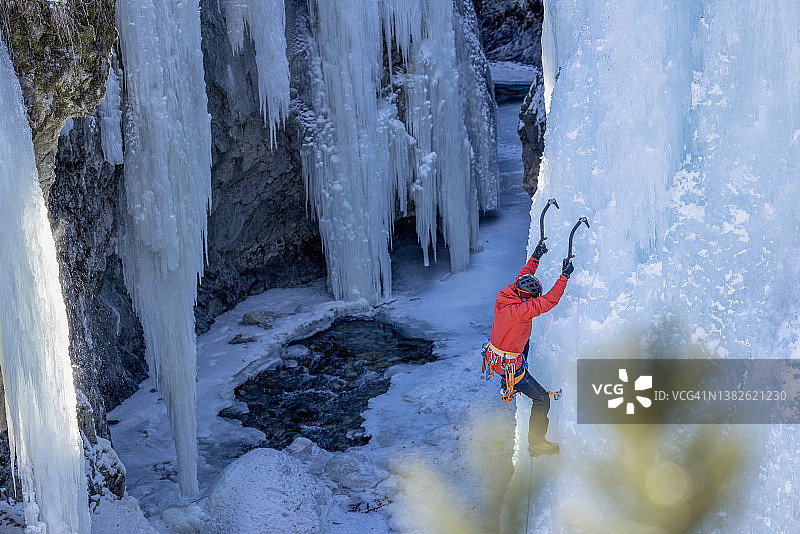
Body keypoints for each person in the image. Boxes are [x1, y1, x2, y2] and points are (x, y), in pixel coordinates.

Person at [483, 241, 573, 456]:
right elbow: (550, 301)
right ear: (526, 297)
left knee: (525, 342)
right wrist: (564, 276)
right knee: (542, 399)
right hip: (510, 367)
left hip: (498, 359)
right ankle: (537, 444)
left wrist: (536, 257)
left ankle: (509, 385)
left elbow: (523, 275)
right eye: (530, 298)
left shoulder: (506, 296)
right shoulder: (521, 311)